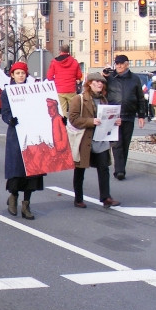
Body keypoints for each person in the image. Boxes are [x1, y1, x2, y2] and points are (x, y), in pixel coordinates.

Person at [67, 73, 120, 209]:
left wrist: (115, 121)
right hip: (84, 139)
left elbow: (106, 119)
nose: (100, 84)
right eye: (97, 81)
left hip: (100, 139)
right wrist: (91, 121)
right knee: (80, 170)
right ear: (89, 83)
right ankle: (78, 198)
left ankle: (106, 197)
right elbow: (73, 119)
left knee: (104, 168)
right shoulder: (78, 99)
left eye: (102, 82)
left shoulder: (104, 100)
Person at [1, 62, 42, 220]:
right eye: (17, 73)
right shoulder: (7, 92)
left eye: (23, 73)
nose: (20, 76)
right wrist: (10, 120)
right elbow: (5, 112)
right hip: (16, 135)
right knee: (16, 170)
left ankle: (26, 204)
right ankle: (13, 196)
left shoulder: (34, 91)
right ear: (12, 75)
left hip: (32, 134)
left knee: (32, 171)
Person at [104, 54, 147, 181]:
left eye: (121, 63)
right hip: (113, 115)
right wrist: (104, 76)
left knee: (125, 144)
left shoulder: (134, 79)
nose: (119, 66)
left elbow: (140, 97)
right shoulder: (110, 78)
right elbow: (98, 88)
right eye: (117, 63)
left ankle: (121, 168)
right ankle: (119, 171)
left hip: (129, 115)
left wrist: (141, 115)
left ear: (127, 64)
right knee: (116, 143)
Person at [46, 44, 83, 117]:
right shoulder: (74, 61)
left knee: (62, 110)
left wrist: (56, 80)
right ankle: (74, 125)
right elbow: (79, 76)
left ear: (60, 51)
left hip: (59, 90)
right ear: (69, 51)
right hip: (71, 89)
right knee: (74, 110)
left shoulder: (54, 62)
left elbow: (49, 76)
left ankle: (64, 125)